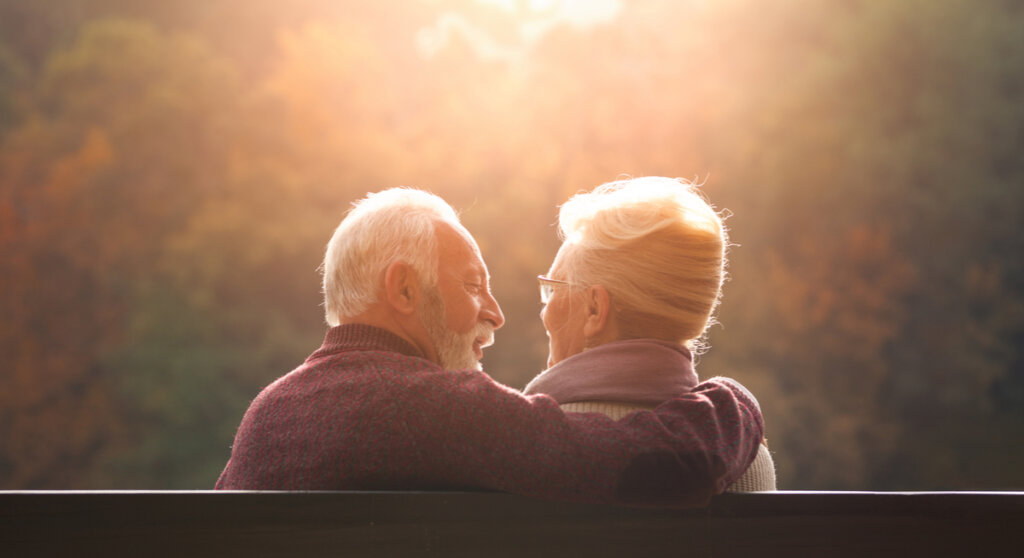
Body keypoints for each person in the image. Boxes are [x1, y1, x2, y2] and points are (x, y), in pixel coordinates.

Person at [215, 187, 765, 507]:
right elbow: (650, 464)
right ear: (404, 289)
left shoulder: (268, 413)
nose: (497, 313)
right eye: (474, 286)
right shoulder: (428, 407)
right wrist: (734, 402)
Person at [523, 176, 774, 558]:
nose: (544, 310)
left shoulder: (534, 446)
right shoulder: (749, 455)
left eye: (553, 288)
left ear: (596, 309)